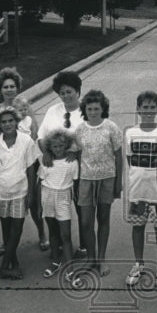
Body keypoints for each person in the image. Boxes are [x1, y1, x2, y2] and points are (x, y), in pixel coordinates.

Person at [124, 91, 157, 289]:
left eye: (152, 107)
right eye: (144, 107)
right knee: (138, 227)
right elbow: (130, 159)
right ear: (138, 109)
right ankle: (138, 263)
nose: (148, 111)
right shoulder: (130, 133)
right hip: (138, 193)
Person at [74, 90, 124, 277]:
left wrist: (118, 182)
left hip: (106, 179)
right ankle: (91, 259)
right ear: (84, 110)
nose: (93, 112)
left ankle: (101, 259)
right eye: (89, 109)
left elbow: (118, 156)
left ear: (103, 109)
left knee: (103, 219)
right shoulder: (80, 129)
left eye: (97, 108)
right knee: (86, 222)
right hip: (86, 180)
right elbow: (78, 155)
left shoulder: (111, 127)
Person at [36, 70, 83, 257]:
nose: (66, 96)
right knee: (57, 208)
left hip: (77, 166)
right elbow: (41, 136)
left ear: (78, 91)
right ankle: (59, 245)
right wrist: (46, 153)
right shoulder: (53, 111)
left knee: (80, 205)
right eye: (62, 93)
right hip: (55, 168)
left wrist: (77, 153)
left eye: (69, 91)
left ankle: (84, 244)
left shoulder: (85, 111)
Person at [0, 107, 39, 281]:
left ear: (16, 122)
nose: (8, 124)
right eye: (3, 122)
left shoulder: (26, 141)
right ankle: (14, 263)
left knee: (17, 229)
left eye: (11, 120)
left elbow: (31, 168)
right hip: (0, 191)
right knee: (6, 228)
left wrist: (31, 193)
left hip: (20, 191)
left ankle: (4, 266)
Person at [39, 130, 79, 283]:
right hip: (47, 197)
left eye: (61, 146)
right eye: (55, 146)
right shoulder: (46, 161)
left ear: (66, 146)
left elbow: (75, 183)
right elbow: (40, 183)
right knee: (53, 232)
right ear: (50, 147)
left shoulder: (72, 162)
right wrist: (38, 206)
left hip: (63, 197)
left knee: (65, 235)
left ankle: (70, 269)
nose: (58, 149)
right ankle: (56, 261)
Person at [0, 67, 24, 139]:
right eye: (5, 87)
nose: (9, 90)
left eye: (12, 86)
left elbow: (34, 130)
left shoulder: (25, 107)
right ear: (0, 90)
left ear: (17, 88)